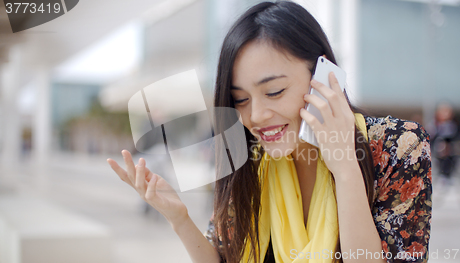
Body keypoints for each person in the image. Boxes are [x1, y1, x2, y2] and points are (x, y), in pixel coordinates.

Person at [106, 1, 432, 262]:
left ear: (323, 74)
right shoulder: (249, 154)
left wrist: (345, 168)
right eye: (240, 100)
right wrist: (179, 218)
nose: (256, 116)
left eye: (274, 92)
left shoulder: (397, 145)